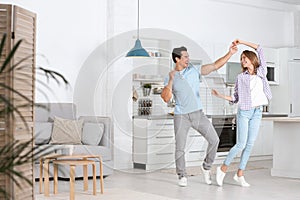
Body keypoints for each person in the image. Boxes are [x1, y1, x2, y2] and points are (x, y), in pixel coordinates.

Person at [161, 44, 237, 187]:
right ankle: (182, 175)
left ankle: (206, 167)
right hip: (181, 116)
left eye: (188, 56)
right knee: (180, 147)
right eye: (185, 57)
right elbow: (165, 98)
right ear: (177, 59)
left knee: (214, 140)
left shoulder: (194, 70)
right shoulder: (170, 76)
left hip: (198, 114)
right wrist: (171, 80)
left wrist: (230, 53)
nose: (188, 59)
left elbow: (215, 65)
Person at [212, 39, 272, 187]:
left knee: (250, 144)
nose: (242, 60)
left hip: (257, 112)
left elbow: (260, 47)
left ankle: (240, 174)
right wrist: (220, 95)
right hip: (244, 112)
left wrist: (242, 42)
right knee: (240, 144)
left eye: (244, 58)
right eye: (241, 59)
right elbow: (235, 97)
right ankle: (223, 168)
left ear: (252, 59)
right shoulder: (241, 77)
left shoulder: (262, 72)